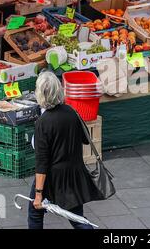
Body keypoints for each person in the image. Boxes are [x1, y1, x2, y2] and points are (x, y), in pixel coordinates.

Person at [28, 71, 99, 229]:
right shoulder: (71, 112)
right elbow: (85, 139)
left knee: (35, 213)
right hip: (74, 173)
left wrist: (39, 193)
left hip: (53, 177)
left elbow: (42, 162)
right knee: (77, 218)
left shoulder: (43, 123)